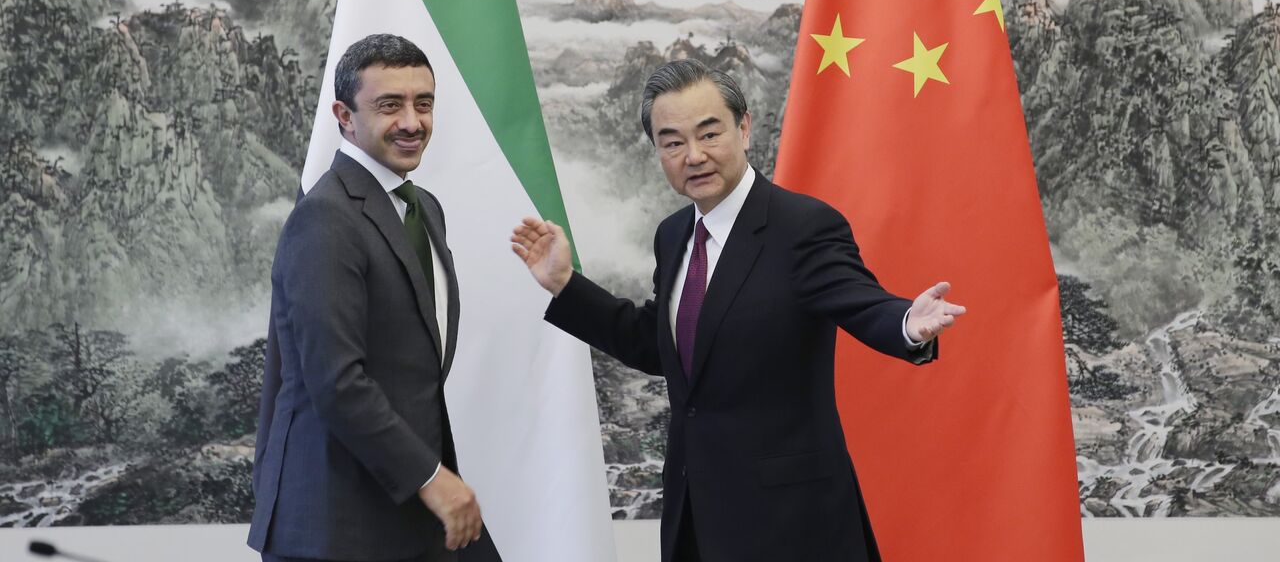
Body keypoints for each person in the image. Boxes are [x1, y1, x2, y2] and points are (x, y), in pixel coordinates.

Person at [511, 59, 965, 562]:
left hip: (791, 523)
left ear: (744, 127)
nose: (695, 156)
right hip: (695, 519)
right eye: (673, 142)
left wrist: (907, 323)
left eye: (710, 134)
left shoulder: (803, 225)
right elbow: (661, 345)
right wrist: (565, 284)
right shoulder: (674, 235)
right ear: (658, 150)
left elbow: (861, 303)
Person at [249, 34, 493, 562]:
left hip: (405, 518)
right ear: (344, 115)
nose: (412, 121)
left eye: (423, 103)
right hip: (336, 526)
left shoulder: (422, 206)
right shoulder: (325, 219)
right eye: (390, 105)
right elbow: (336, 380)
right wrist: (433, 478)